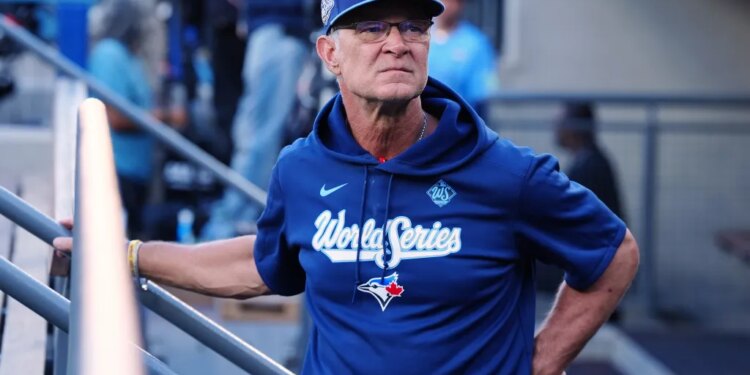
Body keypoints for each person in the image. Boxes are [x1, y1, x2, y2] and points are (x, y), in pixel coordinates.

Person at [58, 1, 640, 373]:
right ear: (329, 52)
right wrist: (127, 254)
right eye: (372, 26)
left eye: (414, 24)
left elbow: (614, 252)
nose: (397, 41)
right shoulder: (300, 168)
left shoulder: (504, 172)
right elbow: (263, 266)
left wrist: (541, 361)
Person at [199, 0, 316, 240]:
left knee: (259, 135)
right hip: (277, 29)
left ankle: (234, 226)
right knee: (258, 137)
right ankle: (222, 231)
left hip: (281, 30)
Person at [88, 0, 181, 239]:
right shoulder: (109, 53)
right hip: (119, 169)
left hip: (138, 171)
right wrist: (167, 117)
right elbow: (114, 116)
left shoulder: (132, 57)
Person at [555, 102, 625, 220]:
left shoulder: (589, 166)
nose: (556, 130)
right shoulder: (589, 159)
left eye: (560, 124)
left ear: (574, 127)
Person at [428, 0, 498, 115]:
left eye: (452, 1)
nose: (447, 5)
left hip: (459, 121)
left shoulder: (475, 43)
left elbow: (481, 94)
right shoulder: (420, 36)